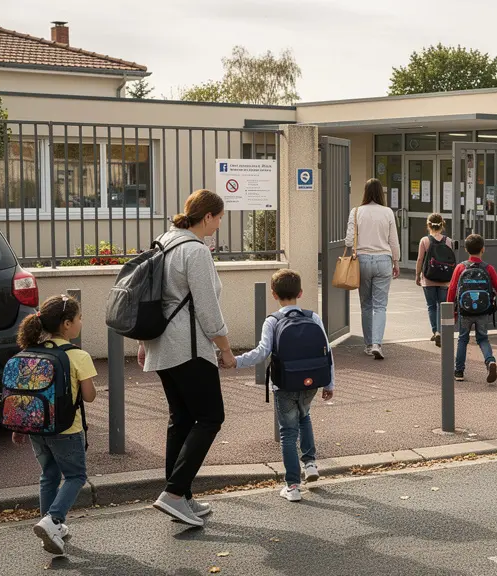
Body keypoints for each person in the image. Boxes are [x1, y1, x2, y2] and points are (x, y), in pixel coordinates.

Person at [139, 189, 232, 527]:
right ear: (207, 216)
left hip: (161, 343)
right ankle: (175, 493)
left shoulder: (164, 241)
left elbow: (151, 296)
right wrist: (224, 347)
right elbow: (208, 310)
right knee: (210, 417)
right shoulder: (195, 251)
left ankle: (182, 497)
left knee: (181, 419)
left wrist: (143, 342)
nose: (220, 224)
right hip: (188, 348)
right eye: (219, 217)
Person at [233, 269, 334, 503]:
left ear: (273, 294)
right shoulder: (313, 317)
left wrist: (236, 362)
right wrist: (329, 382)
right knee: (305, 416)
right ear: (300, 292)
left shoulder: (272, 321)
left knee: (288, 432)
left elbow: (262, 352)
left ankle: (293, 486)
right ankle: (310, 464)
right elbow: (327, 353)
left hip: (284, 384)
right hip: (311, 382)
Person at [12, 294, 97, 556]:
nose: (81, 322)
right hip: (66, 430)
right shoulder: (78, 356)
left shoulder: (30, 352)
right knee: (75, 476)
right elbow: (89, 396)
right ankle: (53, 520)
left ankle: (51, 527)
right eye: (79, 318)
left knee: (48, 474)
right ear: (67, 324)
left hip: (37, 428)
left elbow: (22, 394)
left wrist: (19, 427)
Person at [447, 234, 497, 383]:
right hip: (483, 310)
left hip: (464, 311)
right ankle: (490, 360)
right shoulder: (488, 268)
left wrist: (449, 310)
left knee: (462, 339)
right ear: (483, 249)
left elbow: (452, 289)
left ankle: (459, 371)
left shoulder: (460, 267)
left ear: (466, 249)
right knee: (483, 338)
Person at [345, 178, 401, 360]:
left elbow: (348, 241)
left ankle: (369, 345)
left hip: (362, 261)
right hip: (384, 260)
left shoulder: (356, 212)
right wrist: (396, 261)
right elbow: (393, 240)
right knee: (380, 306)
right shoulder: (387, 212)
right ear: (381, 193)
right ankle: (378, 343)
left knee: (366, 305)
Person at [415, 213, 456, 346]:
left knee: (431, 306)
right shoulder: (448, 241)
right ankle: (441, 331)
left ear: (428, 225)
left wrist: (417, 275)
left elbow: (420, 259)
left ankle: (435, 331)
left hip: (428, 278)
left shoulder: (424, 241)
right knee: (441, 305)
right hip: (444, 279)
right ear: (442, 224)